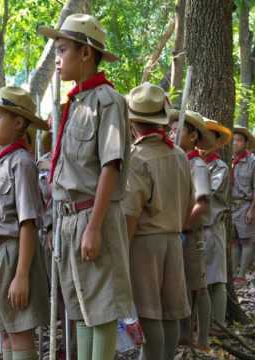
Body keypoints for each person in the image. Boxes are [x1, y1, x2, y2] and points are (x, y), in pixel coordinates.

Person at [39, 13, 134, 359]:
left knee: (101, 307)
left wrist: (93, 227)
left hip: (92, 215)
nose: (57, 59)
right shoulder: (73, 105)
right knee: (79, 305)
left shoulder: (107, 101)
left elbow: (111, 166)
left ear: (86, 53)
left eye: (62, 50)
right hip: (67, 219)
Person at [0, 86, 49, 360]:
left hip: (14, 253)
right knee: (4, 327)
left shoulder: (21, 163)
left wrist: (21, 275)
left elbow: (28, 223)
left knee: (19, 331)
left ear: (18, 123)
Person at [122, 83, 192, 360]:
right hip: (174, 239)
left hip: (144, 244)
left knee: (150, 312)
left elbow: (131, 213)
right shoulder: (180, 156)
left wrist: (122, 254)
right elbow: (188, 202)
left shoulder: (137, 159)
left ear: (133, 123)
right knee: (170, 311)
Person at [167, 109, 214, 349]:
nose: (172, 133)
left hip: (189, 235)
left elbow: (202, 202)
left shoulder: (196, 165)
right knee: (181, 286)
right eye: (170, 129)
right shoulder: (176, 161)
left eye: (178, 130)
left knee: (198, 286)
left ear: (193, 136)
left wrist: (183, 225)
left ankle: (203, 339)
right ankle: (184, 336)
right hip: (176, 235)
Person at [201, 119, 231, 331]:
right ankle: (200, 325)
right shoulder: (191, 161)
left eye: (211, 136)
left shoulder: (219, 167)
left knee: (216, 279)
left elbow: (208, 194)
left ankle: (219, 326)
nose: (205, 140)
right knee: (198, 279)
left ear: (219, 142)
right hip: (193, 230)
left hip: (212, 227)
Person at [230, 125, 255, 287]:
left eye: (239, 140)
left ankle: (241, 274)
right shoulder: (228, 159)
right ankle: (233, 273)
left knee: (246, 240)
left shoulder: (252, 162)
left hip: (245, 204)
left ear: (246, 143)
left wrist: (252, 210)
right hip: (229, 205)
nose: (235, 143)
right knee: (232, 240)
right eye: (233, 140)